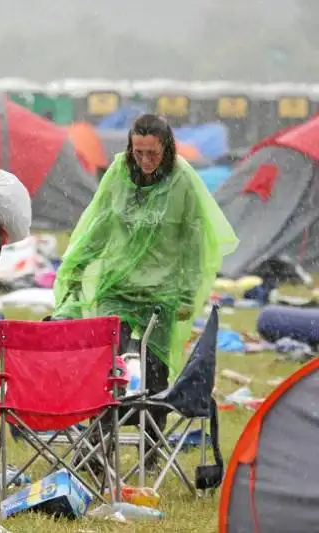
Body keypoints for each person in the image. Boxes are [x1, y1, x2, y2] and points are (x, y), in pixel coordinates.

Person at [51, 114, 238, 469]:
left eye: (152, 153)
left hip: (160, 293)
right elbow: (99, 224)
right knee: (108, 368)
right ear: (129, 148)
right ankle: (97, 449)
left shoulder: (183, 181)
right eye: (139, 152)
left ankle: (150, 452)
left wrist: (186, 295)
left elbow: (194, 242)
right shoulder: (119, 173)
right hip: (116, 287)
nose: (146, 160)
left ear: (166, 149)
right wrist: (75, 266)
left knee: (155, 375)